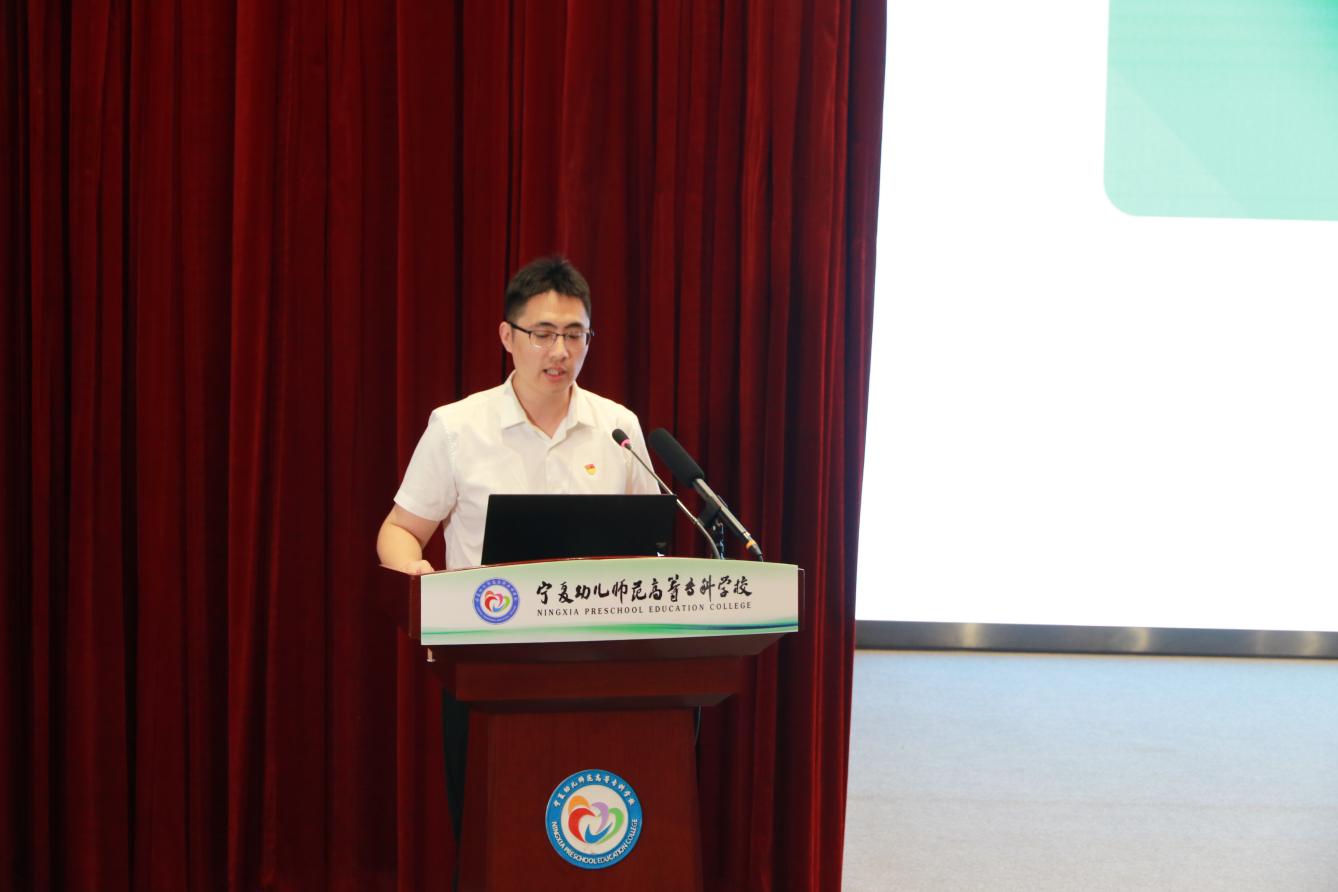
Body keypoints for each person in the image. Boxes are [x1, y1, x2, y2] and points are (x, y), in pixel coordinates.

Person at [375, 254, 657, 840]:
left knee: (594, 836)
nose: (560, 352)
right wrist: (416, 572)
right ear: (508, 336)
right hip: (488, 667)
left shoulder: (618, 428)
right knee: (495, 836)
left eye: (575, 335)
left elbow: (649, 544)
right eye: (543, 333)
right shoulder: (458, 427)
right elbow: (400, 528)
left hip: (603, 670)